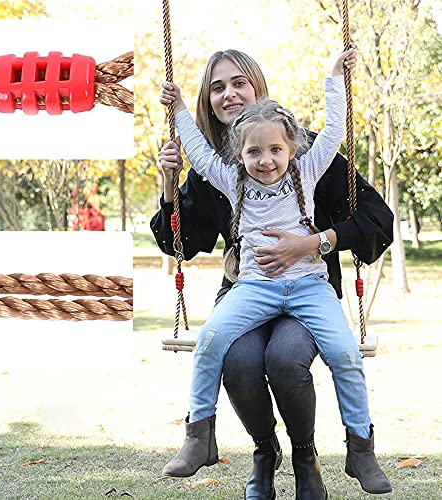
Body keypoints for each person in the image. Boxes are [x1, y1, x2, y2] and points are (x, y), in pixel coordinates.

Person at [151, 49, 393, 499]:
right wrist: (178, 114)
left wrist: (334, 80)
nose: (266, 161)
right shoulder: (226, 173)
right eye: (218, 87)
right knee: (225, 352)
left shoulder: (308, 160)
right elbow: (181, 229)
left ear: (292, 146)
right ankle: (213, 439)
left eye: (239, 82)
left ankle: (344, 451)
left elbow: (370, 203)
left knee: (306, 357)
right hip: (252, 289)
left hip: (308, 287)